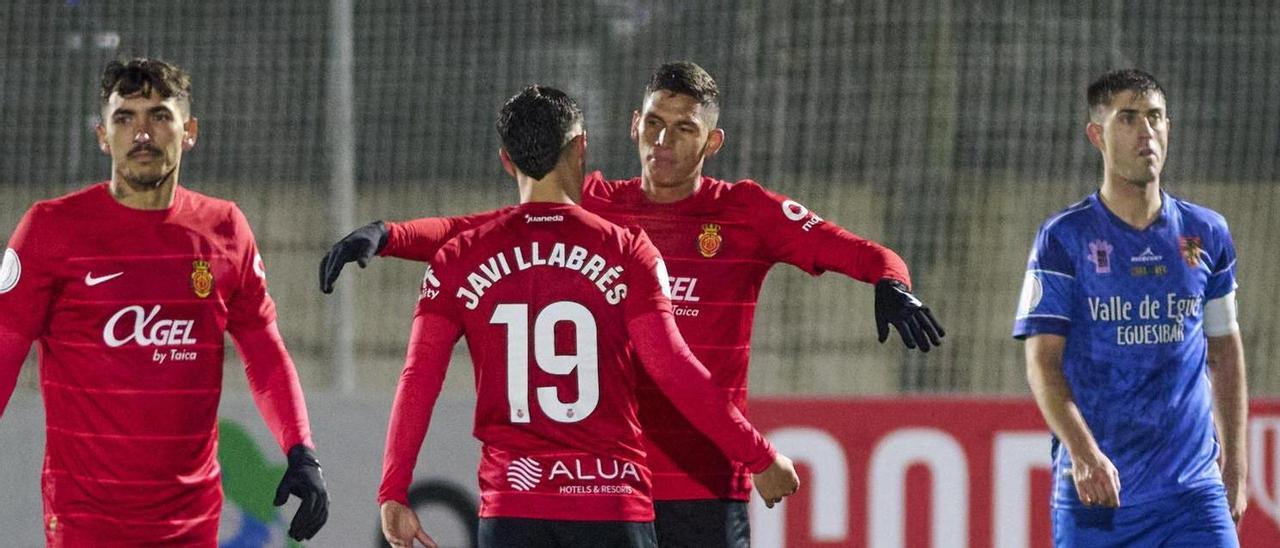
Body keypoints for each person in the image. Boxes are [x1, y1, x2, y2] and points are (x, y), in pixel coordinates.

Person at [325, 61, 942, 546]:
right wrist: (387, 235)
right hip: (611, 484)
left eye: (683, 128)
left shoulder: (747, 211)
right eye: (652, 123)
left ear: (713, 141)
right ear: (631, 125)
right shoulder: (594, 205)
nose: (662, 141)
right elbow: (480, 227)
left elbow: (862, 252)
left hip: (704, 484)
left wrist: (891, 280)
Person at [378, 85, 799, 548]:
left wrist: (394, 490)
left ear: (506, 159)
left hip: (514, 509)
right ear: (581, 147)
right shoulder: (628, 248)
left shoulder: (458, 257)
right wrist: (757, 455)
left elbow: (418, 379)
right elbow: (673, 369)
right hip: (611, 503)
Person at [0, 58, 328, 545]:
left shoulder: (225, 229)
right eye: (124, 118)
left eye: (159, 115)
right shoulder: (51, 229)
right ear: (102, 136)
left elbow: (263, 349)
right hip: (86, 518)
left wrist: (301, 449)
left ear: (189, 130)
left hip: (192, 519)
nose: (142, 133)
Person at [1013, 69, 1247, 547]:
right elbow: (1042, 362)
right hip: (1099, 497)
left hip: (1192, 495)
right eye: (1129, 118)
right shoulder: (1063, 239)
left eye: (1156, 117)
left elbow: (1224, 350)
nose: (1146, 131)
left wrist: (1238, 464)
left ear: (1169, 129)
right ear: (1097, 135)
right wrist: (1082, 454)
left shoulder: (1206, 234)